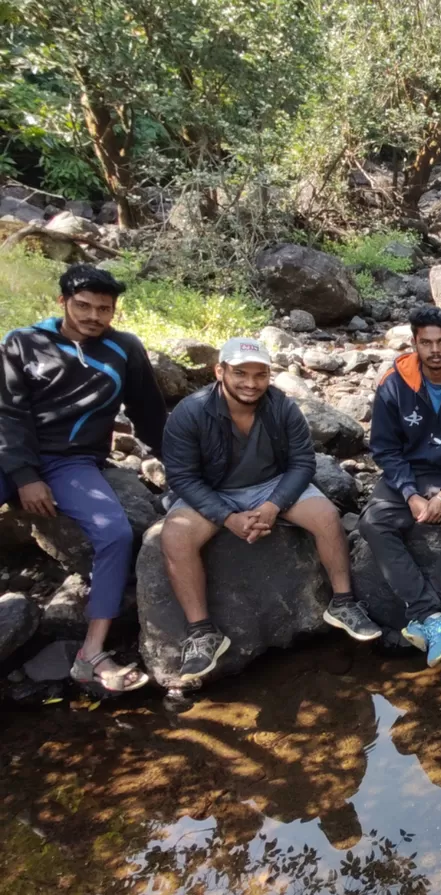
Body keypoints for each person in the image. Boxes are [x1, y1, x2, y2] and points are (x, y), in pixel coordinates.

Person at [160, 337, 381, 682]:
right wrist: (226, 517)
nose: (251, 383)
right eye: (240, 373)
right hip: (213, 490)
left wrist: (274, 505)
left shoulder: (282, 408)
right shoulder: (190, 413)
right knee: (174, 535)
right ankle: (202, 632)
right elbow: (182, 477)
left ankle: (343, 603)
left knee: (326, 516)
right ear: (220, 372)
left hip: (270, 486)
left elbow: (302, 463)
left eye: (260, 375)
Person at [0, 263, 166, 692]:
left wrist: (181, 463)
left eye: (104, 309)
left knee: (115, 533)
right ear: (62, 302)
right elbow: (9, 412)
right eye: (83, 306)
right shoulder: (23, 342)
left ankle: (91, 654)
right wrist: (24, 476)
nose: (93, 316)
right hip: (11, 454)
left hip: (70, 461)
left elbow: (148, 414)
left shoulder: (124, 349)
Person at [360, 305, 441, 667]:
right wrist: (411, 495)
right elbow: (384, 450)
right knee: (373, 522)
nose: (435, 351)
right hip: (409, 472)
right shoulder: (393, 383)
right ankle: (434, 616)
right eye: (426, 343)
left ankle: (431, 613)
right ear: (415, 344)